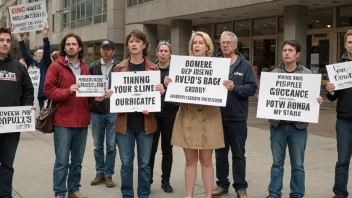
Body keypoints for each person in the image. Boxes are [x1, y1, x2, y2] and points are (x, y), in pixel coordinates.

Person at [44, 32, 112, 198]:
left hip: (82, 123)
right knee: (61, 162)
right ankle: (59, 192)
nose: (71, 47)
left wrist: (98, 97)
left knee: (77, 162)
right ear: (64, 47)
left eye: (74, 44)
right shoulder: (56, 67)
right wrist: (68, 91)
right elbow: (48, 91)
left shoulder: (84, 68)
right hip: (62, 122)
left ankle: (73, 190)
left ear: (80, 47)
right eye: (68, 44)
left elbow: (88, 97)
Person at [165, 31, 225, 198]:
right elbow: (175, 98)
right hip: (188, 118)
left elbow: (219, 93)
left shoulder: (217, 67)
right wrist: (170, 85)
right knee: (190, 161)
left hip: (209, 119)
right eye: (194, 43)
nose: (197, 45)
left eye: (201, 42)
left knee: (206, 161)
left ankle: (208, 196)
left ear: (207, 47)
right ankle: (189, 195)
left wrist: (226, 86)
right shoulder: (181, 66)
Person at [266, 40, 323, 198]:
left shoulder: (307, 75)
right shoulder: (274, 75)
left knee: (298, 165)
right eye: (284, 50)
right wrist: (262, 95)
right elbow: (265, 98)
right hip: (277, 126)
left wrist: (317, 100)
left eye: (290, 50)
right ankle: (274, 193)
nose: (286, 53)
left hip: (298, 128)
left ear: (297, 54)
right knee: (277, 163)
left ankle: (296, 194)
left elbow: (312, 97)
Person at [113, 29, 164, 198]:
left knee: (144, 165)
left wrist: (160, 91)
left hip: (146, 124)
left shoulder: (154, 68)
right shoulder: (118, 68)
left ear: (144, 45)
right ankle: (127, 195)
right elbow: (113, 94)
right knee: (126, 164)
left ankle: (143, 194)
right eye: (130, 41)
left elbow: (158, 100)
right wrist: (110, 95)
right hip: (125, 124)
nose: (133, 44)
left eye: (137, 41)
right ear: (128, 45)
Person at [212, 31, 257, 198]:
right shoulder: (214, 63)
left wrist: (235, 88)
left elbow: (252, 88)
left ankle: (240, 187)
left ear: (235, 45)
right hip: (217, 117)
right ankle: (222, 185)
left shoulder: (245, 65)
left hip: (237, 118)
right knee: (220, 154)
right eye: (222, 42)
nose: (225, 45)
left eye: (228, 42)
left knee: (238, 154)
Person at [0, 27, 34, 198]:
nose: (5, 43)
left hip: (11, 127)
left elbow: (28, 90)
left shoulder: (18, 68)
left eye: (7, 40)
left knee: (7, 164)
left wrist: (27, 107)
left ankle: (5, 195)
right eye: (1, 40)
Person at [149, 42, 179, 193]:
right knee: (151, 149)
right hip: (153, 114)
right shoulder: (150, 69)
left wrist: (170, 85)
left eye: (166, 51)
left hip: (170, 113)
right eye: (160, 50)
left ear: (170, 54)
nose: (163, 53)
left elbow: (181, 92)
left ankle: (165, 180)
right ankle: (148, 179)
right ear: (156, 53)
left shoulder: (175, 71)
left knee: (167, 149)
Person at [89, 40, 119, 188]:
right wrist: (92, 99)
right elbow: (87, 88)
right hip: (97, 112)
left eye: (109, 49)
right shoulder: (93, 67)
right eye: (103, 49)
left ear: (113, 51)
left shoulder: (119, 67)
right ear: (100, 51)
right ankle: (99, 172)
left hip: (113, 111)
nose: (106, 51)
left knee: (112, 146)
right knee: (97, 145)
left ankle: (108, 174)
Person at [326, 30, 352, 198]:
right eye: (350, 42)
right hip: (344, 121)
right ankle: (340, 193)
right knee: (342, 160)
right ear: (345, 45)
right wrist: (330, 91)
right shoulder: (338, 68)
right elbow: (333, 97)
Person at [18, 24, 52, 110]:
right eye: (38, 53)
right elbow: (25, 54)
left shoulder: (46, 64)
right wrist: (20, 38)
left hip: (41, 96)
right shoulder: (32, 63)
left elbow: (47, 50)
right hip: (30, 95)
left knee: (42, 118)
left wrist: (45, 35)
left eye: (42, 53)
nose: (40, 54)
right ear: (35, 55)